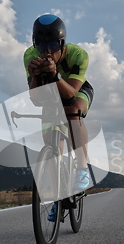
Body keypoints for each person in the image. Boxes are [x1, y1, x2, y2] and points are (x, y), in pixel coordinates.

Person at [24, 14, 93, 220]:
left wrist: (55, 76)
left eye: (53, 44)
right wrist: (35, 76)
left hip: (76, 89)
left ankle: (81, 169)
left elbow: (71, 92)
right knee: (51, 147)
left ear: (62, 44)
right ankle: (57, 198)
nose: (47, 51)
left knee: (73, 111)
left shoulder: (78, 55)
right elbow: (36, 99)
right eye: (41, 45)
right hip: (50, 96)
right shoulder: (30, 56)